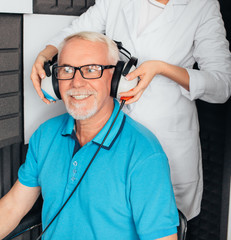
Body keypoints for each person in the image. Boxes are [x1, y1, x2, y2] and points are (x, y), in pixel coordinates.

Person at [31, 0, 231, 220]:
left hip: (167, 140)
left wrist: (162, 68)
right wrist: (45, 55)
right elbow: (75, 33)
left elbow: (221, 86)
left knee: (159, 222)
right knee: (110, 220)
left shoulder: (202, 6)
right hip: (113, 138)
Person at [0, 32, 179, 240]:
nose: (77, 83)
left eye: (91, 69)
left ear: (115, 79)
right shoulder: (45, 135)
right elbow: (13, 207)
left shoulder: (144, 154)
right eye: (67, 70)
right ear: (55, 81)